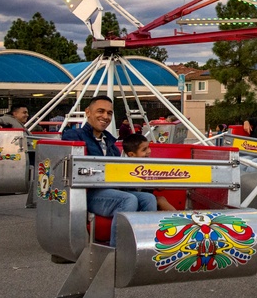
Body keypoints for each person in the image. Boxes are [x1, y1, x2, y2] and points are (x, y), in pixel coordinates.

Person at [62, 96, 156, 246]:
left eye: (109, 113)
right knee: (128, 199)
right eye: (100, 111)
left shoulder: (110, 142)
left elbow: (118, 172)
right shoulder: (74, 136)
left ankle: (145, 246)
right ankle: (117, 251)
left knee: (148, 199)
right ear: (88, 112)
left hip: (111, 190)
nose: (105, 116)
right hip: (87, 193)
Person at [121, 133, 177, 211]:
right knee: (150, 198)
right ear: (132, 154)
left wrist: (158, 178)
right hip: (132, 198)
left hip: (147, 198)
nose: (149, 151)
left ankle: (180, 221)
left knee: (161, 200)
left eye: (148, 147)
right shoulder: (124, 167)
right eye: (144, 149)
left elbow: (161, 188)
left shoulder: (150, 166)